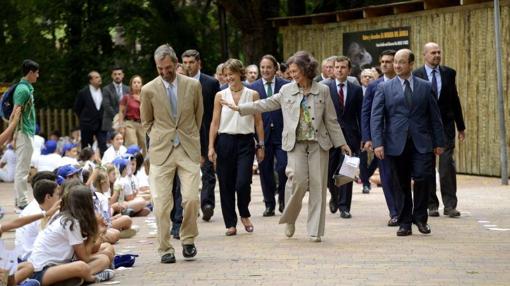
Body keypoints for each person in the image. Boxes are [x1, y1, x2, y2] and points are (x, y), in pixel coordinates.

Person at [222, 51, 351, 242]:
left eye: (295, 70)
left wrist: (342, 143)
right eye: (290, 71)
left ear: (306, 69)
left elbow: (331, 120)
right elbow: (266, 104)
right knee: (298, 181)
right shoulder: (286, 90)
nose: (292, 75)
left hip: (318, 144)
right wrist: (241, 108)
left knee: (318, 186)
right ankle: (290, 218)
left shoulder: (322, 90)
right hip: (295, 144)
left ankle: (315, 230)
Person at [371, 49, 445, 236]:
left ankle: (420, 218)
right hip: (395, 143)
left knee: (422, 178)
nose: (396, 65)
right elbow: (376, 117)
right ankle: (404, 222)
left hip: (422, 142)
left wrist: (439, 142)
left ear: (411, 64)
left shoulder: (425, 86)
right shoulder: (384, 88)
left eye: (401, 62)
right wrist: (378, 143)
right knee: (401, 183)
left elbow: (435, 117)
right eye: (395, 62)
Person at [140, 44, 203, 263]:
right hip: (161, 151)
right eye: (160, 69)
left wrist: (188, 136)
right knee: (161, 203)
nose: (165, 72)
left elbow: (198, 116)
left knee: (192, 198)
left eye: (168, 68)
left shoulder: (193, 86)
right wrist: (160, 136)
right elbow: (146, 122)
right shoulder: (148, 90)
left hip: (188, 148)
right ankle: (165, 247)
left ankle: (188, 238)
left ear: (176, 64)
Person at [209, 59, 264, 236]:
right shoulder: (220, 96)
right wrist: (211, 146)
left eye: (231, 74)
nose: (228, 77)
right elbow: (215, 122)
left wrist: (261, 144)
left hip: (246, 142)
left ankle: (245, 213)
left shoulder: (253, 94)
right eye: (225, 75)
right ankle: (230, 223)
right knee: (225, 183)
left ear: (240, 73)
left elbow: (258, 122)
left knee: (242, 182)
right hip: (225, 141)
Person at [413, 42, 466, 218]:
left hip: (445, 127)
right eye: (433, 53)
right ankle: (431, 204)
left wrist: (461, 126)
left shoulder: (449, 73)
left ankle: (450, 205)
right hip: (424, 129)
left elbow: (454, 99)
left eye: (439, 52)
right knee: (427, 166)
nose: (437, 55)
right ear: (425, 55)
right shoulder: (416, 75)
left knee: (446, 166)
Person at [28, 185, 115, 285]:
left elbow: (86, 252)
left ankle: (76, 279)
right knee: (84, 265)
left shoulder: (68, 218)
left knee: (104, 256)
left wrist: (97, 232)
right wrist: (96, 233)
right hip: (41, 273)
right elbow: (84, 258)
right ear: (86, 205)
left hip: (57, 266)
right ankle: (92, 278)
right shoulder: (71, 223)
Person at [361, 50, 400, 226]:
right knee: (386, 175)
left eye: (389, 61)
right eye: (382, 61)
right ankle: (394, 212)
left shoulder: (404, 83)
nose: (385, 64)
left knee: (402, 175)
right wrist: (368, 138)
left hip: (403, 137)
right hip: (381, 138)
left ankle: (405, 208)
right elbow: (367, 112)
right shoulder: (373, 86)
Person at [181, 49, 220, 222]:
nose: (188, 66)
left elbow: (216, 110)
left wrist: (215, 132)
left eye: (191, 62)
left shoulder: (211, 83)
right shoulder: (179, 83)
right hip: (185, 135)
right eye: (185, 62)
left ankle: (207, 204)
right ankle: (189, 204)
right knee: (186, 173)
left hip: (207, 132)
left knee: (208, 171)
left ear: (199, 63)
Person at [248, 54, 290, 216]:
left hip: (282, 133)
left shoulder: (285, 86)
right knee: (265, 169)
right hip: (262, 134)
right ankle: (269, 204)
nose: (265, 70)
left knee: (283, 167)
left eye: (269, 67)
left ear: (275, 69)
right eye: (263, 67)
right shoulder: (253, 87)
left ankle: (283, 199)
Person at [323, 56, 363, 219]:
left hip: (351, 137)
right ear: (332, 69)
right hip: (330, 136)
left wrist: (364, 136)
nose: (339, 70)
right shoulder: (325, 88)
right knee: (328, 172)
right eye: (336, 67)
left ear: (349, 70)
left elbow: (361, 114)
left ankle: (344, 206)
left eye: (343, 67)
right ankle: (334, 194)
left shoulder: (356, 89)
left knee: (347, 171)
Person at [13, 59, 39, 210]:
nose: (38, 75)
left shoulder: (26, 88)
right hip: (23, 132)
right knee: (22, 169)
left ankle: (20, 200)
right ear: (30, 72)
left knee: (23, 167)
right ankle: (22, 203)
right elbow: (15, 113)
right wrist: (14, 134)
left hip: (26, 132)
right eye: (36, 73)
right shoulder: (23, 90)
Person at [74, 71, 107, 155]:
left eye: (99, 77)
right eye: (96, 77)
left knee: (103, 144)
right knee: (86, 146)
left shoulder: (104, 91)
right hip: (87, 123)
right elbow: (77, 108)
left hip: (101, 124)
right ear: (90, 80)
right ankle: (86, 163)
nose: (99, 79)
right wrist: (84, 119)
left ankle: (104, 164)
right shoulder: (83, 93)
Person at [118, 75, 146, 154]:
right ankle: (131, 164)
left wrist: (141, 101)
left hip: (142, 124)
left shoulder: (145, 97)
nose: (136, 84)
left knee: (144, 147)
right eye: (134, 82)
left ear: (142, 85)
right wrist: (121, 126)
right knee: (132, 145)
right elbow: (121, 112)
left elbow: (149, 111)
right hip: (130, 123)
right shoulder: (126, 97)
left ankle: (144, 166)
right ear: (131, 85)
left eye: (138, 82)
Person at [102, 67, 129, 136]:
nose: (117, 76)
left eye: (119, 74)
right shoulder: (106, 89)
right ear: (112, 76)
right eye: (115, 74)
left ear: (123, 75)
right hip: (110, 122)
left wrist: (123, 118)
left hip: (125, 122)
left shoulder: (128, 89)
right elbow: (107, 106)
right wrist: (118, 117)